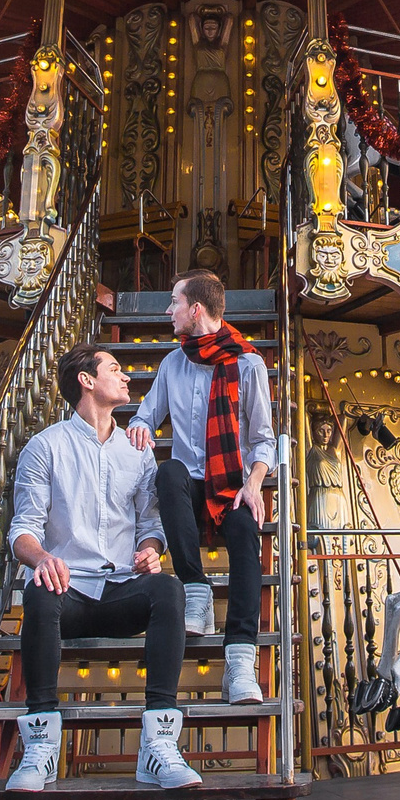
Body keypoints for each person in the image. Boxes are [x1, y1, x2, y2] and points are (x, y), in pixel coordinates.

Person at [6, 344, 201, 792]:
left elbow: (151, 525)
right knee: (38, 590)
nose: (127, 376)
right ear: (87, 380)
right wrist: (43, 558)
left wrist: (151, 549)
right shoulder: (45, 446)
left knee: (169, 590)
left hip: (120, 589)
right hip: (67, 591)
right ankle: (39, 745)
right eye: (115, 368)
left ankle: (159, 744)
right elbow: (23, 531)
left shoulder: (137, 451)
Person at [127, 269, 273, 705]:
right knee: (168, 472)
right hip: (188, 484)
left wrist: (254, 484)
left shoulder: (247, 364)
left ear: (195, 309)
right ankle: (196, 587)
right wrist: (138, 429)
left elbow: (264, 439)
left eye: (174, 302)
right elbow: (145, 415)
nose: (167, 311)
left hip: (232, 483)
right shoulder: (173, 363)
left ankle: (240, 661)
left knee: (247, 530)